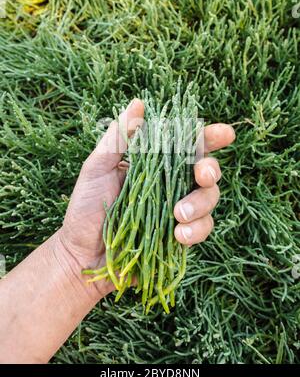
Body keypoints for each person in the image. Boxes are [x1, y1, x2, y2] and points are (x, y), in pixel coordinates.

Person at [0, 99, 235, 363]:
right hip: (112, 254)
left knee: (186, 195)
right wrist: (72, 259)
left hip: (117, 256)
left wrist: (69, 263)